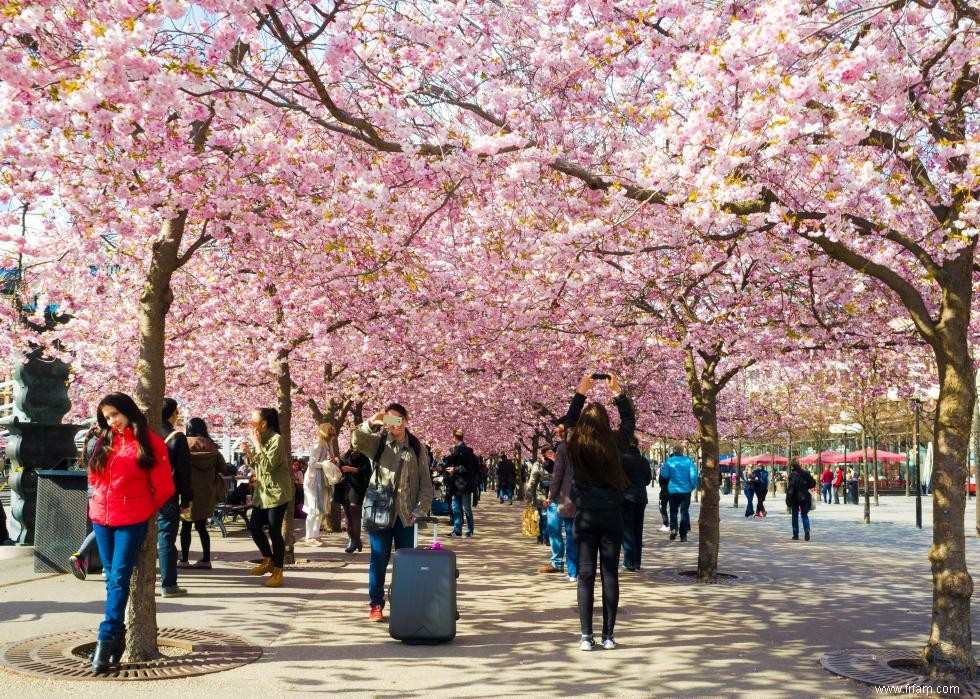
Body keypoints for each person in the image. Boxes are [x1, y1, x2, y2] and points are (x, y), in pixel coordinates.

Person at [88, 393, 174, 673]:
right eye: (107, 417)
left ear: (127, 410)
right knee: (112, 578)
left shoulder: (150, 441)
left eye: (115, 414)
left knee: (119, 577)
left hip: (130, 519)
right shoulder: (106, 439)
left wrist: (142, 507)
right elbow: (93, 476)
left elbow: (164, 487)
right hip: (101, 516)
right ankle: (118, 637)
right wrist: (99, 497)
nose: (112, 420)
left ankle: (105, 637)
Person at [563, 371, 634, 652]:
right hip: (611, 515)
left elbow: (569, 421)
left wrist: (581, 391)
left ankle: (585, 636)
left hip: (586, 517)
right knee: (610, 574)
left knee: (585, 576)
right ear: (606, 423)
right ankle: (608, 636)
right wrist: (618, 394)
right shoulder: (617, 443)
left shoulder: (575, 444)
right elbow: (629, 421)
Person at [351, 402, 433, 622]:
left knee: (406, 562)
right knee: (378, 559)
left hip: (407, 515)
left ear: (406, 420)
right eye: (390, 421)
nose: (394, 426)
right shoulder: (378, 442)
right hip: (380, 511)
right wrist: (372, 421)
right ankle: (376, 604)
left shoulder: (416, 447)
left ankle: (404, 602)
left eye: (398, 420)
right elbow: (356, 439)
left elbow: (426, 484)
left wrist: (420, 509)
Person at [242, 408, 292, 587]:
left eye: (253, 422)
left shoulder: (277, 440)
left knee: (274, 530)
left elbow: (269, 465)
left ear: (264, 424)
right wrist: (249, 451)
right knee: (254, 526)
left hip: (277, 493)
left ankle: (278, 570)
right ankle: (268, 559)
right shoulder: (261, 439)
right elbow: (257, 466)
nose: (251, 425)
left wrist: (256, 444)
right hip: (262, 493)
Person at [177, 417, 227, 570]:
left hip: (187, 492)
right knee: (202, 527)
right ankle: (206, 559)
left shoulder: (184, 444)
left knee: (185, 527)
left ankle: (184, 560)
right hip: (206, 493)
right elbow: (223, 468)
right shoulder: (212, 446)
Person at [159, 398, 192, 597]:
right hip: (167, 495)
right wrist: (186, 500)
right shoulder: (175, 437)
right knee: (166, 539)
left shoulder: (145, 433)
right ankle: (168, 584)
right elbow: (183, 472)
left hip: (142, 495)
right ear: (173, 414)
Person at [546, 424, 578, 582]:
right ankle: (583, 569)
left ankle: (573, 572)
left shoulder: (563, 449)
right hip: (587, 495)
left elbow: (557, 475)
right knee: (584, 535)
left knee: (571, 533)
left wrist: (551, 495)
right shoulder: (586, 446)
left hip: (568, 495)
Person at [70, 425, 103, 579]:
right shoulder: (101, 444)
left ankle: (81, 556)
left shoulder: (91, 443)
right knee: (104, 528)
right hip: (101, 490)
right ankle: (81, 555)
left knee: (100, 528)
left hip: (92, 491)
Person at [620, 437, 651, 571]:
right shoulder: (644, 460)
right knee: (638, 530)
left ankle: (629, 562)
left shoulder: (622, 459)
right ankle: (637, 561)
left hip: (626, 498)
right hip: (641, 498)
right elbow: (648, 480)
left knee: (627, 530)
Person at [305, 423, 338, 546]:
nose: (332, 437)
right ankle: (309, 537)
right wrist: (326, 463)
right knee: (313, 509)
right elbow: (312, 464)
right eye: (330, 434)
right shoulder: (318, 445)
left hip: (323, 480)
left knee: (321, 509)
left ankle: (315, 535)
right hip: (314, 481)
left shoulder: (327, 445)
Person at [335, 446, 371, 553]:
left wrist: (352, 469)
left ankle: (355, 540)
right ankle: (353, 540)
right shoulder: (346, 453)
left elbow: (367, 471)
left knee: (354, 513)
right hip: (344, 486)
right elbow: (341, 467)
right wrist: (336, 463)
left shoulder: (363, 454)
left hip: (357, 487)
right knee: (347, 514)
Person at [662, 445, 699, 542]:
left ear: (673, 452)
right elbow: (694, 475)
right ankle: (683, 535)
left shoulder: (669, 461)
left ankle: (673, 529)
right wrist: (693, 486)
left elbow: (664, 475)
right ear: (682, 451)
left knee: (673, 511)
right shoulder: (688, 461)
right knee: (684, 512)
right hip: (686, 491)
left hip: (673, 491)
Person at [446, 429, 478, 538]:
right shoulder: (455, 450)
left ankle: (469, 530)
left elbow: (469, 468)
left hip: (464, 484)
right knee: (456, 508)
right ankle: (457, 530)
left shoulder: (467, 451)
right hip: (456, 484)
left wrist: (454, 469)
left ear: (455, 438)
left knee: (466, 508)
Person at [527, 453, 556, 567]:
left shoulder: (555, 462)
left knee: (550, 517)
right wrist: (529, 496)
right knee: (543, 516)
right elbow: (532, 480)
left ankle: (547, 538)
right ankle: (542, 536)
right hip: (541, 494)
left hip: (553, 494)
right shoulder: (537, 465)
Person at [786, 459, 817, 540]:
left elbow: (790, 489)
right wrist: (806, 486)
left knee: (795, 516)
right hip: (805, 497)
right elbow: (813, 483)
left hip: (795, 498)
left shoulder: (792, 475)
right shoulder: (806, 473)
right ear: (799, 464)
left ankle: (795, 534)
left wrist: (788, 499)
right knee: (804, 515)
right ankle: (807, 529)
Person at [658, 462, 671, 531]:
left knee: (662, 507)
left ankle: (666, 524)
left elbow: (660, 481)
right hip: (674, 491)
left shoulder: (665, 469)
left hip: (665, 491)